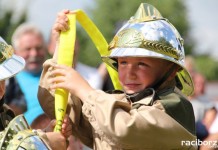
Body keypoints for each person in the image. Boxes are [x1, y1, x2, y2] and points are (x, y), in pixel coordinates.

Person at [38, 3, 197, 149]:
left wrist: (85, 91)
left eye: (142, 64)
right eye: (123, 63)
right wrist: (61, 46)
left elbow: (125, 128)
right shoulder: (120, 103)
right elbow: (56, 105)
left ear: (172, 70)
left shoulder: (173, 106)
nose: (129, 73)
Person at [0, 36, 70, 150]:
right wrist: (43, 142)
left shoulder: (4, 113)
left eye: (3, 80)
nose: (1, 89)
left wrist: (44, 133)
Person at [6, 23, 47, 124]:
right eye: (27, 49)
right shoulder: (8, 82)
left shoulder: (56, 76)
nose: (34, 54)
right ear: (15, 52)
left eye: (38, 48)